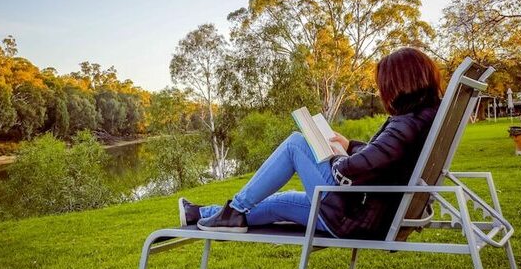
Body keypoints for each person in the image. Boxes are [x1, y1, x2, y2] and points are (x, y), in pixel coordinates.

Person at [177, 47, 443, 240]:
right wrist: (349, 145)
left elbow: (349, 172)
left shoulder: (406, 123)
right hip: (364, 215)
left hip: (355, 219)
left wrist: (334, 156)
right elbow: (385, 160)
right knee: (277, 202)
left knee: (296, 143)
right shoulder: (422, 119)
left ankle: (235, 208)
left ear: (399, 83)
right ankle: (202, 213)